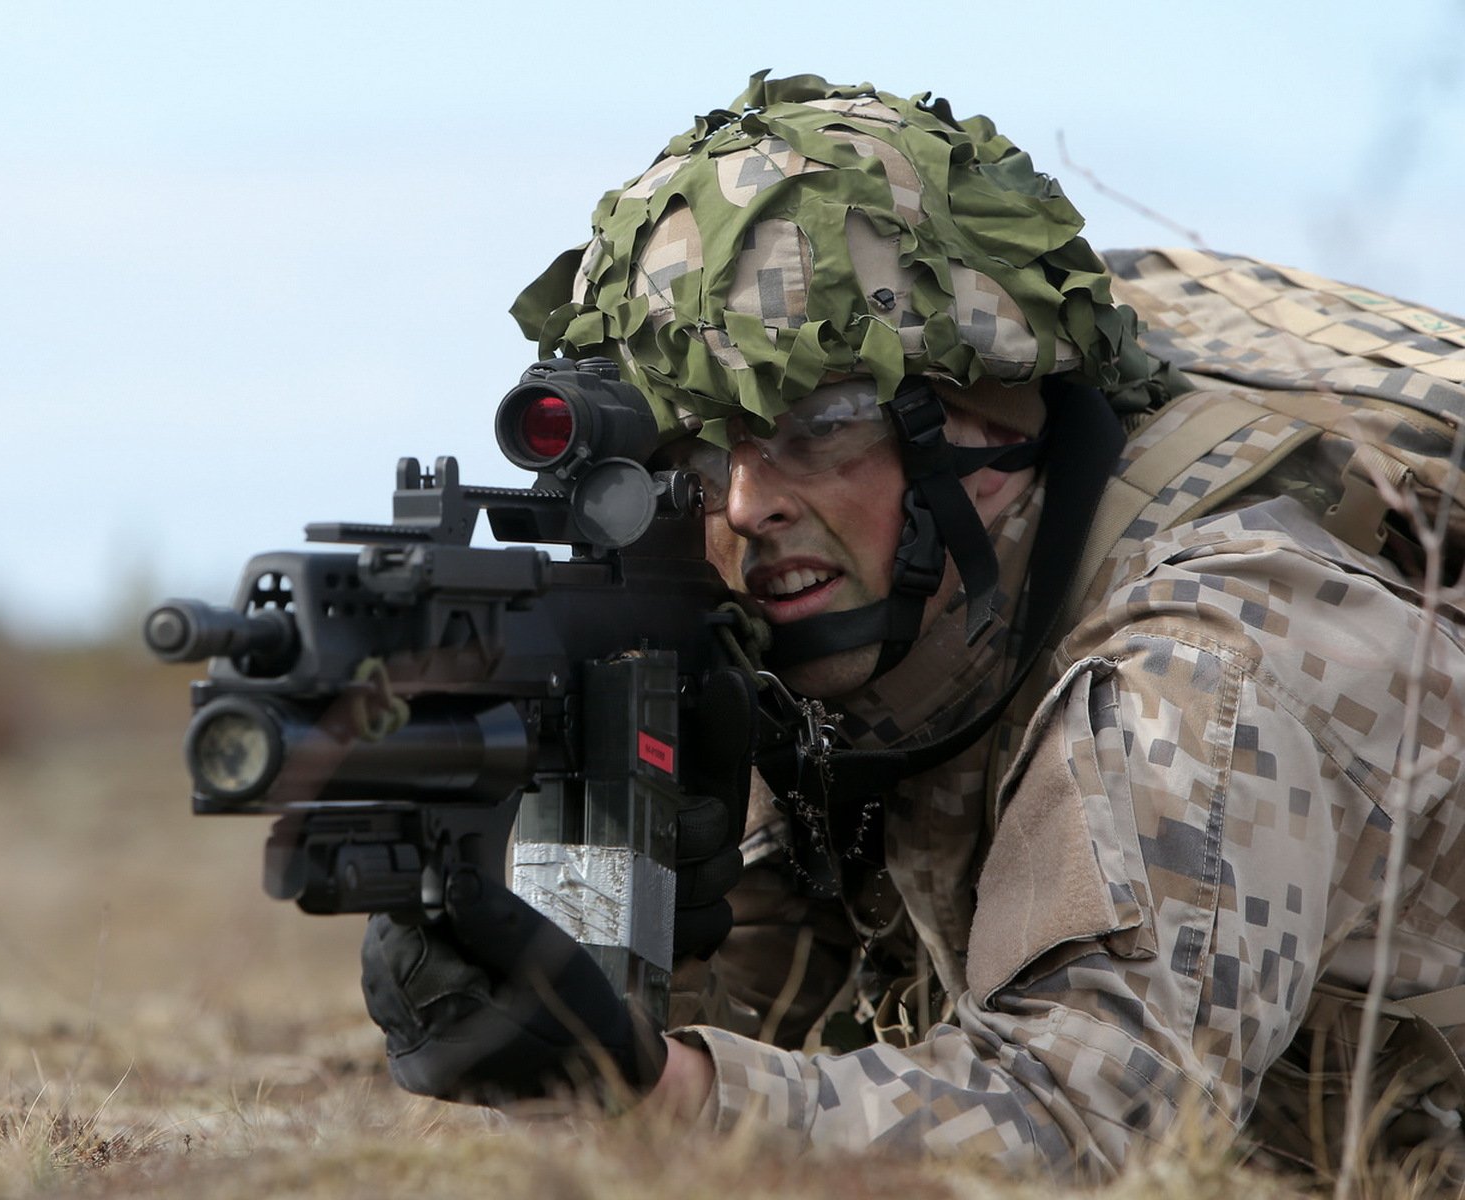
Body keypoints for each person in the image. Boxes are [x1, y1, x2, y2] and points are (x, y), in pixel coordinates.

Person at [359, 72, 1465, 1181]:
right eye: (698, 453)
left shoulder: (1204, 665)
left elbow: (1088, 1136)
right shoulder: (870, 648)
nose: (746, 505)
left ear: (987, 428)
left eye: (819, 425)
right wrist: (566, 967)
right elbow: (803, 1017)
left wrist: (671, 1094)